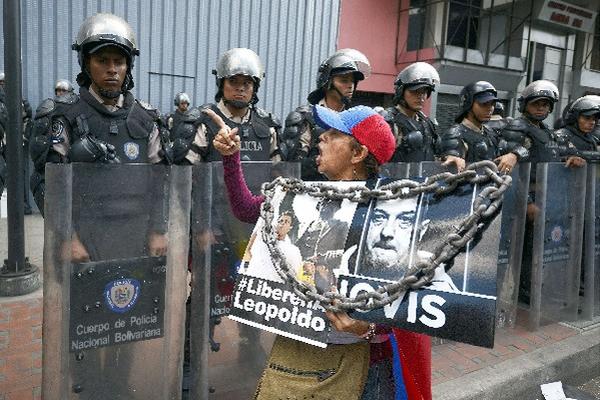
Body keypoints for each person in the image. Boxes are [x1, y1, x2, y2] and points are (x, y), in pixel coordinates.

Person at [212, 105, 431, 399]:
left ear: (358, 154)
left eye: (332, 134)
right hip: (300, 352)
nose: (320, 138)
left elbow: (410, 304)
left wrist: (367, 328)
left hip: (365, 367)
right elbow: (245, 208)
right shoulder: (302, 195)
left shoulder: (391, 216)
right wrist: (230, 157)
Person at [29, 13, 169, 259]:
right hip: (83, 240)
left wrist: (159, 230)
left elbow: (161, 181)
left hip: (138, 237)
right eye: (102, 60)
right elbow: (47, 183)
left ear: (128, 66)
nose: (112, 69)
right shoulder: (62, 114)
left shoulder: (147, 118)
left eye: (119, 61)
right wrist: (67, 237)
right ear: (86, 63)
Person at [279, 48, 371, 180]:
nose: (350, 85)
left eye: (353, 81)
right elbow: (292, 167)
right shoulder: (305, 117)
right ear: (327, 82)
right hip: (310, 194)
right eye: (344, 80)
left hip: (348, 192)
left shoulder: (356, 120)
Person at [440, 81, 527, 173]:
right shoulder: (455, 133)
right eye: (484, 104)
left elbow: (523, 150)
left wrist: (514, 155)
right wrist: (452, 157)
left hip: (491, 185)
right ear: (468, 104)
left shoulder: (491, 134)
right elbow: (450, 158)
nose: (490, 108)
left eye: (492, 104)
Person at [385, 62, 440, 162]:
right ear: (401, 92)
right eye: (415, 91)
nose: (421, 96)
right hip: (395, 177)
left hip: (426, 177)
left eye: (424, 91)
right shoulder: (389, 120)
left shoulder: (427, 123)